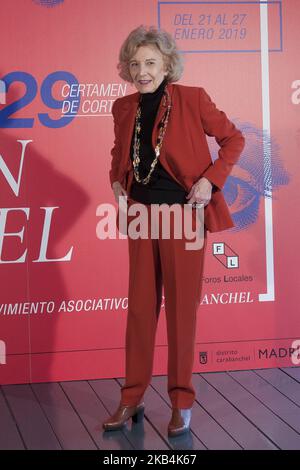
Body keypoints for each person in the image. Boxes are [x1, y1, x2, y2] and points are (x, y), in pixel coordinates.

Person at [103, 25, 245, 437]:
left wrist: (210, 180)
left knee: (182, 312)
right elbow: (118, 154)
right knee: (140, 310)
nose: (141, 71)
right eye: (135, 64)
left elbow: (233, 139)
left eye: (150, 62)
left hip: (184, 215)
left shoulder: (192, 98)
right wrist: (115, 182)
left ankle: (182, 403)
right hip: (141, 216)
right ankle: (132, 397)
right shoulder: (123, 107)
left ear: (167, 65)